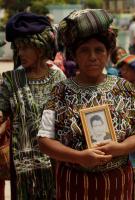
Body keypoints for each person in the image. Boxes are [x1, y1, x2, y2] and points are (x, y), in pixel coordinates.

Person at [37, 9, 135, 199]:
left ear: (108, 53)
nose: (93, 57)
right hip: (74, 183)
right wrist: (79, 157)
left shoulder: (124, 88)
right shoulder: (61, 91)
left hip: (117, 182)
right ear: (74, 55)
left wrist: (118, 148)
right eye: (84, 51)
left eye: (99, 50)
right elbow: (44, 141)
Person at [0, 12, 66, 199]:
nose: (20, 53)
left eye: (26, 47)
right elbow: (1, 109)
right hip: (22, 170)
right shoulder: (11, 81)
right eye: (18, 48)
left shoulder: (57, 78)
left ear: (41, 47)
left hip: (54, 160)